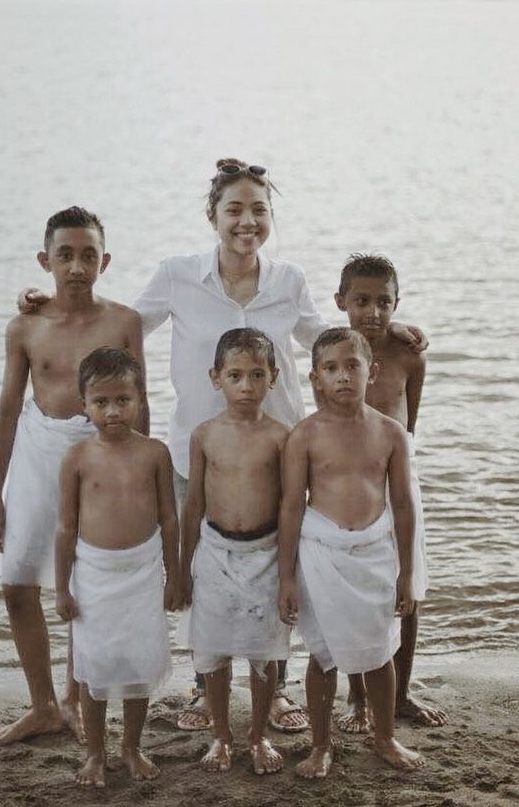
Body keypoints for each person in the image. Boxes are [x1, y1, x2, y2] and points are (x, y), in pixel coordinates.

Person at [19, 158, 427, 733]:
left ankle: (276, 689)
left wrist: (390, 331)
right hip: (199, 449)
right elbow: (121, 325)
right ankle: (204, 688)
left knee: (271, 565)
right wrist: (54, 302)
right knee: (208, 571)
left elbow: (320, 338)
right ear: (213, 215)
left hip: (275, 450)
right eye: (234, 209)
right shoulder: (178, 273)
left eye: (259, 210)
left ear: (269, 217)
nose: (247, 221)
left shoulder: (288, 281)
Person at [0, 207, 146, 748]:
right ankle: (42, 704)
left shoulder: (123, 322)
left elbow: (141, 403)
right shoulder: (26, 326)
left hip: (100, 456)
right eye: (64, 255)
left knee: (84, 584)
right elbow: (6, 410)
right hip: (35, 456)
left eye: (88, 254)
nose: (76, 266)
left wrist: (138, 473)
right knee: (17, 581)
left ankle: (75, 699)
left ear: (104, 261)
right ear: (45, 261)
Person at [278, 328, 425, 777]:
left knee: (379, 653)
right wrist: (286, 576)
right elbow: (290, 507)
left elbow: (402, 505)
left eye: (352, 366)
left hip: (374, 554)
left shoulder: (391, 433)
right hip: (322, 552)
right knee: (323, 656)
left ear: (371, 371)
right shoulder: (304, 436)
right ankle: (320, 745)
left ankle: (384, 737)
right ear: (315, 379)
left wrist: (406, 573)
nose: (343, 376)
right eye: (331, 368)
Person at [331, 254, 447, 731]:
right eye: (361, 301)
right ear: (342, 303)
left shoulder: (409, 353)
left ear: (397, 303)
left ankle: (400, 694)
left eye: (384, 302)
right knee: (356, 588)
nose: (373, 312)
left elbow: (410, 422)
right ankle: (357, 696)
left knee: (408, 585)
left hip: (399, 479)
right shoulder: (336, 354)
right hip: (349, 485)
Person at [56, 347, 180, 787]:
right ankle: (95, 753)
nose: (113, 411)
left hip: (143, 571)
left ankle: (131, 746)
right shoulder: (77, 458)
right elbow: (66, 528)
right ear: (83, 405)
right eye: (101, 402)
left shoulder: (155, 453)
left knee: (138, 663)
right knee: (96, 665)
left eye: (123, 400)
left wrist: (175, 574)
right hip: (93, 575)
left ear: (141, 399)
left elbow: (168, 518)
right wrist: (61, 589)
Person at [180, 328, 291, 774]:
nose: (246, 385)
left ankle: (258, 735)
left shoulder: (283, 436)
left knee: (264, 652)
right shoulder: (204, 435)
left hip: (265, 552)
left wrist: (288, 573)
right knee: (214, 650)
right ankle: (221, 736)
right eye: (235, 375)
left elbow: (289, 507)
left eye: (256, 375)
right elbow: (192, 506)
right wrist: (182, 567)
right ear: (216, 377)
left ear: (274, 378)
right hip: (215, 552)